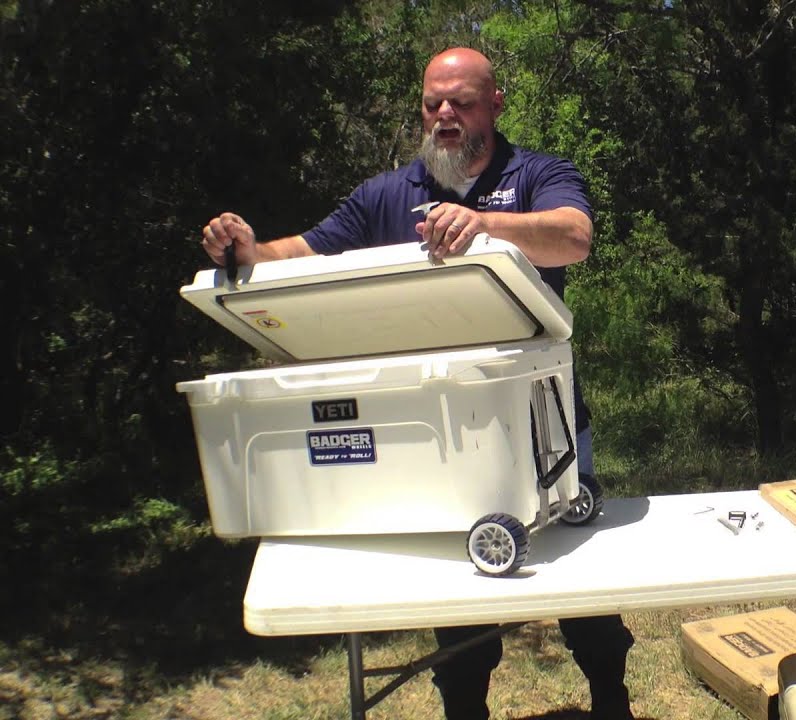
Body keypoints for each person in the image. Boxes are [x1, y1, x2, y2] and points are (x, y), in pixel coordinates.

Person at [201, 47, 635, 720]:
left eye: (460, 102)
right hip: (439, 434)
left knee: (579, 583)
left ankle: (611, 697)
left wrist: (485, 226)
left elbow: (573, 236)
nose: (444, 116)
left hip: (548, 424)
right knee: (455, 592)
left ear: (495, 103)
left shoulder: (538, 174)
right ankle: (465, 710)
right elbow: (309, 250)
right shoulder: (387, 194)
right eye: (433, 103)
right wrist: (252, 252)